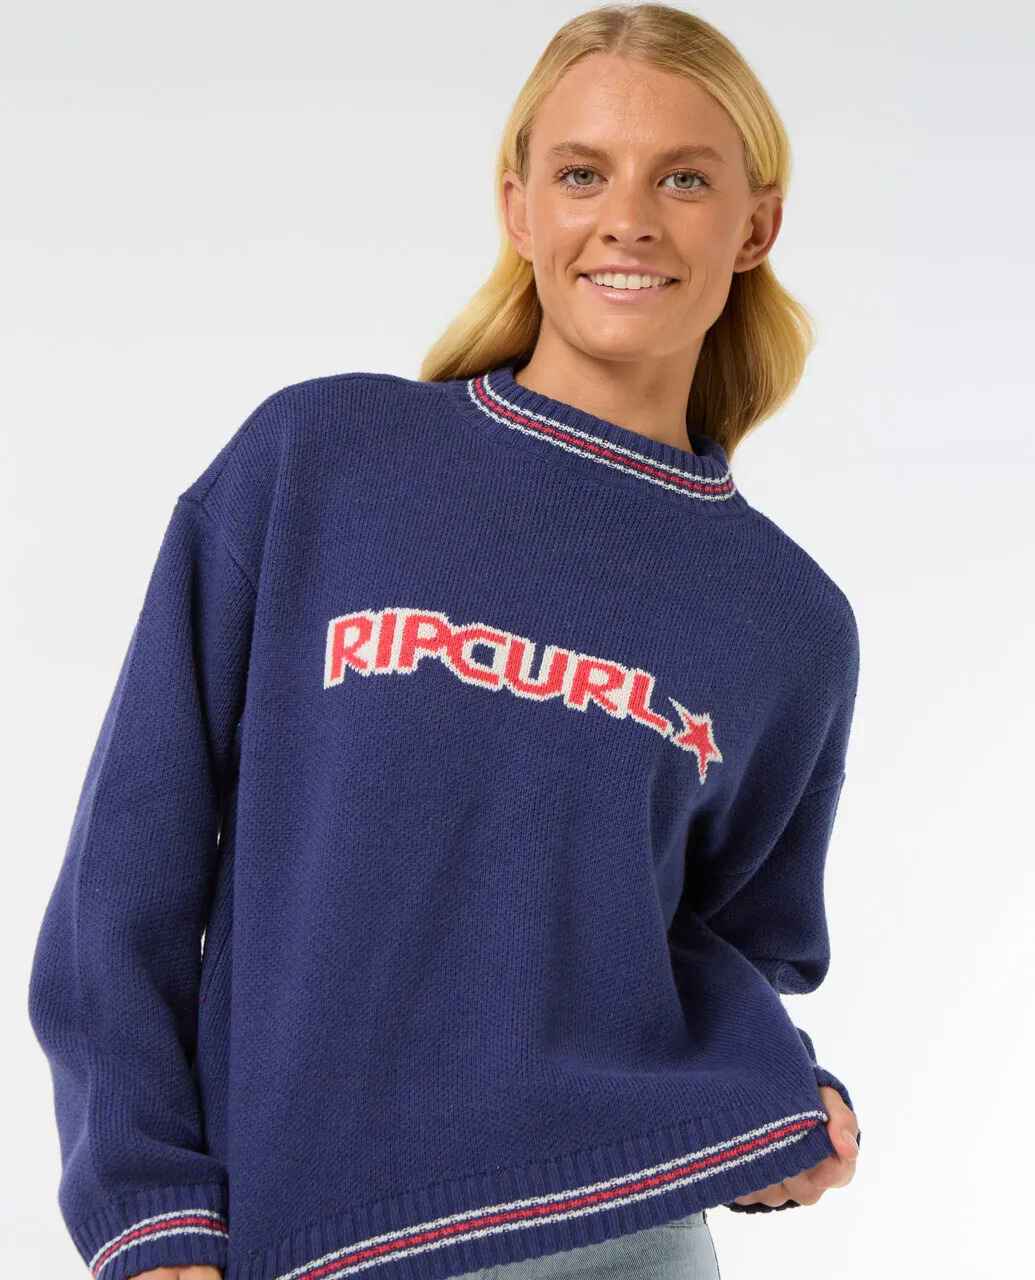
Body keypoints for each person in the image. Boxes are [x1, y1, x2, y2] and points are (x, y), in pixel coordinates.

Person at [26, 6, 862, 1280]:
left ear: (756, 226)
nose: (628, 219)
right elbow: (128, 870)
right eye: (582, 173)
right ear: (518, 206)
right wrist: (146, 1206)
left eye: (685, 180)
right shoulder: (321, 464)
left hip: (625, 1240)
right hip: (312, 1237)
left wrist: (770, 1107)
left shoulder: (788, 617)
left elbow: (734, 950)